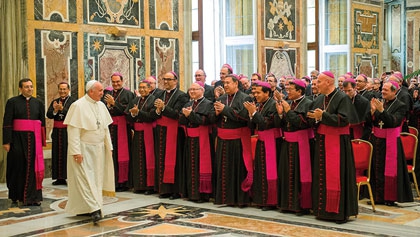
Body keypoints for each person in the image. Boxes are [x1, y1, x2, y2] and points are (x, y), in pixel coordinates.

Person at [307, 71, 358, 224]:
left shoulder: (342, 98)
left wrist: (323, 116)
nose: (315, 85)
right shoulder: (320, 98)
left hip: (337, 144)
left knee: (337, 177)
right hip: (322, 142)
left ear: (329, 82)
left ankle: (338, 212)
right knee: (321, 175)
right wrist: (315, 119)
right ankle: (322, 210)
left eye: (319, 82)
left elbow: (344, 120)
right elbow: (312, 117)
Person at [64, 80, 115, 223]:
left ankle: (86, 208)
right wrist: (76, 152)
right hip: (83, 149)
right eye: (100, 91)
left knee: (96, 180)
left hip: (98, 149)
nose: (102, 93)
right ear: (90, 91)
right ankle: (94, 209)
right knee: (85, 179)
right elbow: (73, 131)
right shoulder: (78, 106)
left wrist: (108, 147)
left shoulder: (101, 106)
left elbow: (105, 129)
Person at [3, 78, 46, 206]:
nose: (30, 89)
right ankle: (17, 195)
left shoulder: (38, 103)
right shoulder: (12, 102)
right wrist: (6, 141)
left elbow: (42, 123)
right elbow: (7, 123)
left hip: (34, 140)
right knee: (18, 166)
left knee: (33, 167)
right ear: (20, 89)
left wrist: (42, 141)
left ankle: (33, 197)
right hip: (17, 139)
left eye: (31, 86)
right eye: (26, 87)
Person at [370, 81, 413, 206]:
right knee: (376, 168)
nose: (382, 92)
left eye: (386, 90)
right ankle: (377, 197)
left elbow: (393, 122)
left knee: (389, 169)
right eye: (382, 89)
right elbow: (371, 122)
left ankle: (389, 198)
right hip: (377, 140)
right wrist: (372, 113)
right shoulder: (380, 102)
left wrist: (382, 111)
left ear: (394, 92)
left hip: (391, 142)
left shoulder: (401, 105)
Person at [214, 74, 253, 206]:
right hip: (223, 140)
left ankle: (238, 200)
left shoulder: (244, 98)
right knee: (223, 169)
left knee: (237, 169)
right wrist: (216, 114)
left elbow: (242, 117)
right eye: (224, 83)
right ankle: (224, 198)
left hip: (237, 140)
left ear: (236, 84)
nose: (225, 85)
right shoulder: (221, 98)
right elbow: (213, 119)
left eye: (228, 83)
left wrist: (225, 109)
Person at [275, 79, 313, 215]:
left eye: (290, 90)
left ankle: (301, 206)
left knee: (299, 174)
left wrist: (288, 111)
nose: (287, 92)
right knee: (286, 173)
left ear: (299, 91)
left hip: (302, 145)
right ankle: (287, 204)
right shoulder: (289, 103)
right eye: (287, 89)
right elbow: (284, 124)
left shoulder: (308, 103)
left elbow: (302, 123)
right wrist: (281, 114)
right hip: (288, 143)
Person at [243, 81, 279, 211]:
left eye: (258, 92)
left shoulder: (273, 105)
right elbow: (252, 126)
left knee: (269, 171)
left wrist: (254, 114)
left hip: (272, 142)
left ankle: (270, 201)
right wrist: (250, 115)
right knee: (260, 170)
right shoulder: (258, 105)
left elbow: (266, 124)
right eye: (254, 93)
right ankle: (261, 199)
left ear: (267, 93)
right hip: (261, 141)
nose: (255, 95)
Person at [153, 71, 189, 199]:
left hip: (175, 132)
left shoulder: (182, 96)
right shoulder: (159, 94)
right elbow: (154, 112)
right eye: (164, 79)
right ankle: (164, 189)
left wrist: (163, 108)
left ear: (175, 81)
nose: (166, 82)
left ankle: (175, 190)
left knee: (175, 160)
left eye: (169, 79)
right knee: (161, 158)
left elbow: (178, 114)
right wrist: (157, 110)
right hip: (161, 131)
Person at [179, 82, 215, 202]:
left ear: (202, 90)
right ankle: (191, 193)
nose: (192, 92)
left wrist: (191, 115)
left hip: (202, 139)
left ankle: (202, 195)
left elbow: (206, 121)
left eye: (195, 89)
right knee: (190, 165)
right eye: (190, 90)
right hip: (190, 139)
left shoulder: (208, 104)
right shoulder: (188, 103)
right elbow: (182, 120)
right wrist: (186, 116)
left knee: (200, 166)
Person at [103, 72, 135, 191]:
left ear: (122, 81)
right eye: (113, 82)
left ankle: (123, 182)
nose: (116, 84)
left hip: (122, 128)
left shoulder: (128, 94)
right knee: (111, 154)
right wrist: (108, 106)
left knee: (122, 154)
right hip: (110, 127)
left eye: (118, 82)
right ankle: (112, 181)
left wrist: (114, 104)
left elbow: (127, 111)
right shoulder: (107, 93)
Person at [126, 81, 159, 194]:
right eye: (140, 87)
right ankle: (139, 185)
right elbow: (128, 117)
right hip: (138, 133)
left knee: (148, 158)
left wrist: (138, 112)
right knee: (138, 158)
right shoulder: (135, 100)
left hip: (150, 132)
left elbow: (152, 116)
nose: (142, 90)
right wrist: (133, 114)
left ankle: (149, 186)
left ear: (150, 89)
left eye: (144, 87)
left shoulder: (154, 99)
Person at [46, 82, 76, 185]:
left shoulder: (73, 102)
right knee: (57, 153)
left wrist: (62, 109)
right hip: (56, 131)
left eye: (64, 89)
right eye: (60, 89)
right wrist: (54, 110)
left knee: (66, 153)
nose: (62, 91)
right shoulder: (55, 101)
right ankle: (59, 178)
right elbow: (49, 114)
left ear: (68, 90)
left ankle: (68, 177)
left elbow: (74, 114)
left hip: (67, 131)